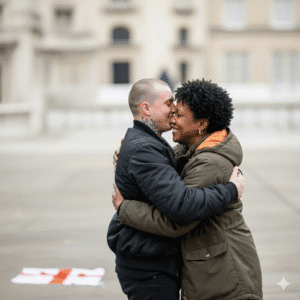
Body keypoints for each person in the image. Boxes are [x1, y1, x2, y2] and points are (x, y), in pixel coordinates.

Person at [113, 79, 262, 300]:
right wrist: (130, 156)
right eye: (172, 110)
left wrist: (125, 208)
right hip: (211, 265)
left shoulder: (210, 162)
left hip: (225, 272)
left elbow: (179, 218)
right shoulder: (188, 149)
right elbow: (157, 161)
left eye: (179, 115)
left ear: (201, 124)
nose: (173, 118)